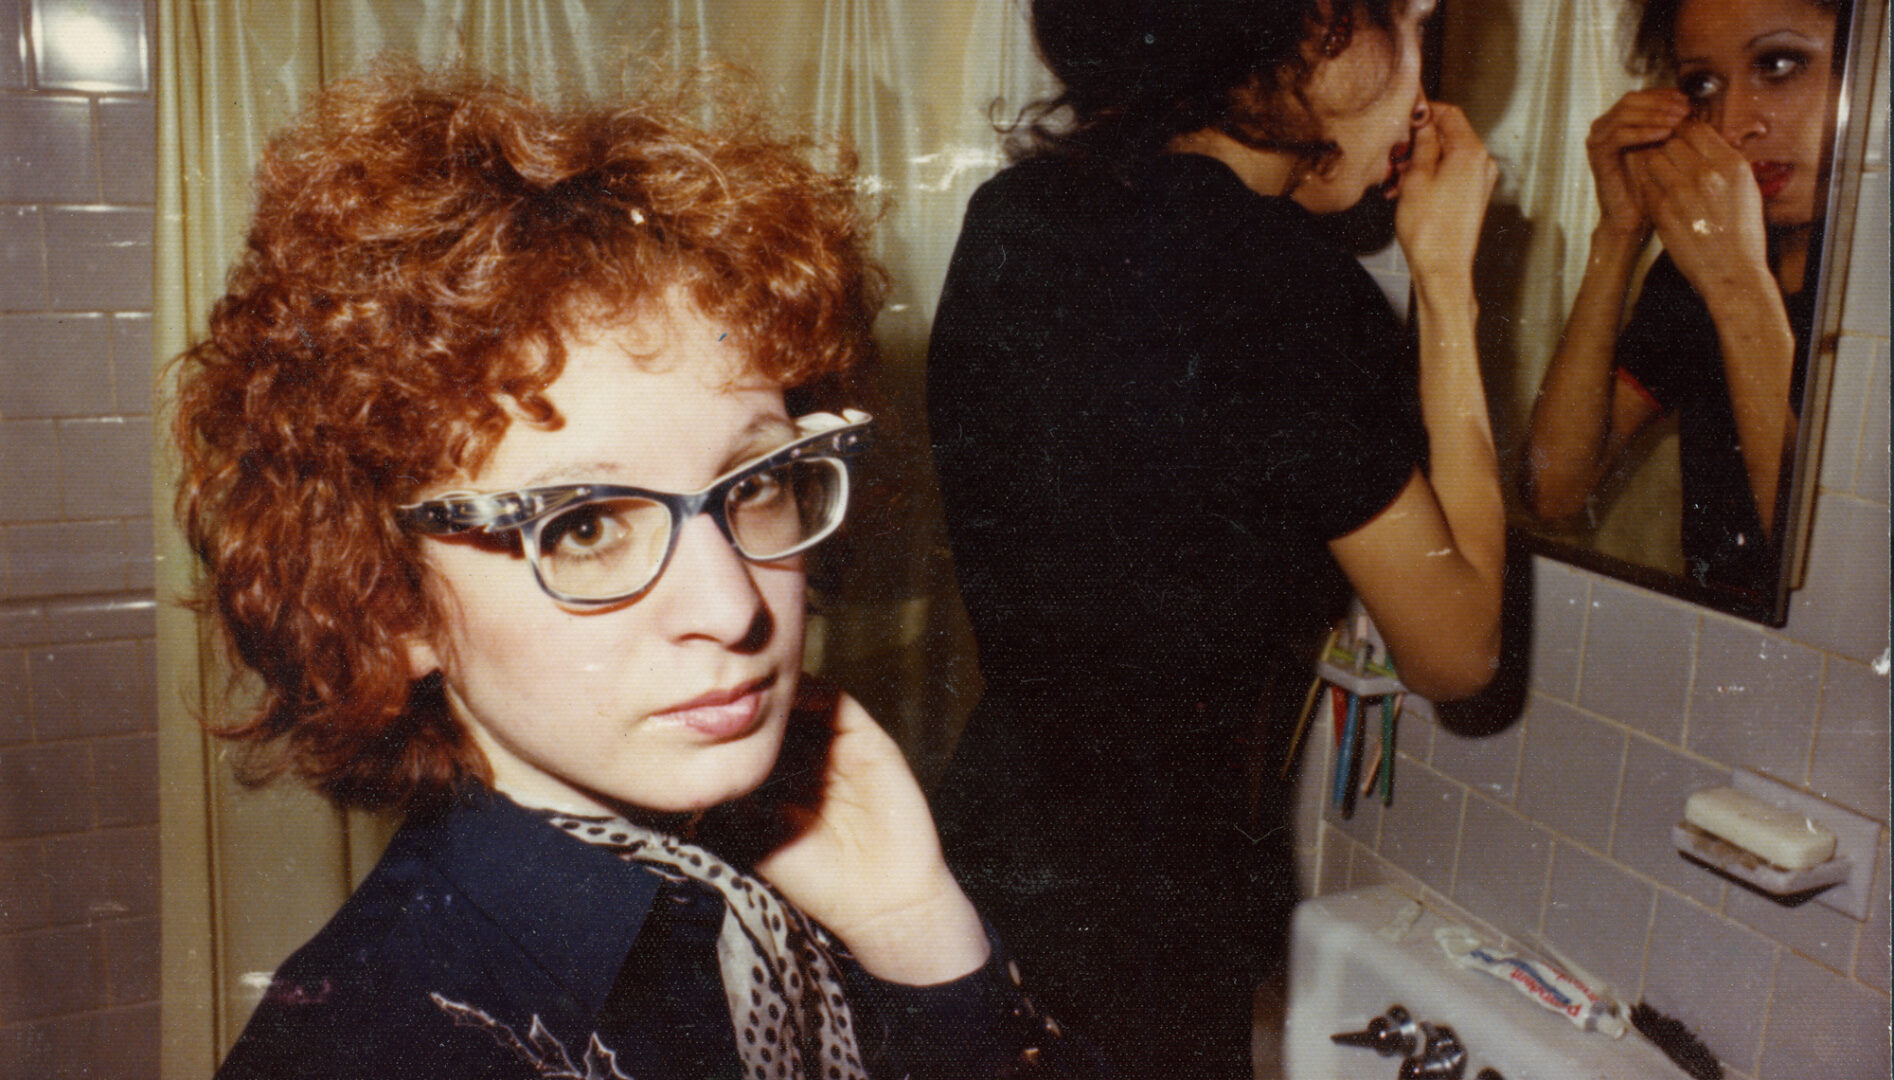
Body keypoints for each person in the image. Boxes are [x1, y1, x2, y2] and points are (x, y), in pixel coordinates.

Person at [176, 61, 1091, 1080]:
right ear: (388, 600)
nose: (733, 605)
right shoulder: (386, 1044)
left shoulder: (792, 900)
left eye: (751, 483)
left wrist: (919, 931)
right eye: (581, 527)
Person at [924, 0, 1504, 1075]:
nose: (1423, 88)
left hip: (973, 860)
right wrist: (1446, 283)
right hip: (1148, 919)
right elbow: (1457, 646)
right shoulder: (1294, 287)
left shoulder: (1012, 218)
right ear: (1323, 26)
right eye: (1414, 19)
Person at [1527, 0, 1843, 590]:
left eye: (1779, 63)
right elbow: (1556, 491)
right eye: (1702, 83)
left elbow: (1835, 576)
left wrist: (1737, 290)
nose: (1731, 126)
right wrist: (1619, 232)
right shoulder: (1692, 273)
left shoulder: (1869, 288)